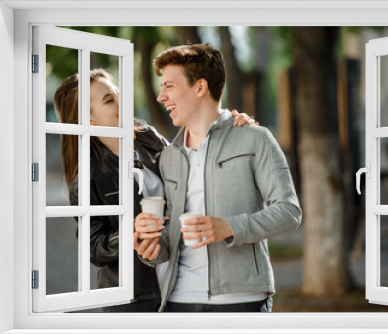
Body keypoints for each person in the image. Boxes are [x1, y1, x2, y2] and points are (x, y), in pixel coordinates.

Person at [53, 68, 255, 312]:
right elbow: (93, 247)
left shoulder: (148, 138)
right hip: (133, 298)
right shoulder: (89, 178)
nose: (121, 101)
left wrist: (233, 131)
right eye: (109, 100)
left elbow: (193, 163)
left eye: (117, 93)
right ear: (88, 119)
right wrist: (130, 234)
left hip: (179, 283)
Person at [135, 43, 302, 313]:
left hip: (241, 301)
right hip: (178, 302)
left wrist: (229, 227)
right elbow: (171, 235)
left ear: (200, 88)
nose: (160, 97)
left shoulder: (254, 139)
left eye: (169, 86)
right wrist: (151, 246)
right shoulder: (169, 158)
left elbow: (289, 211)